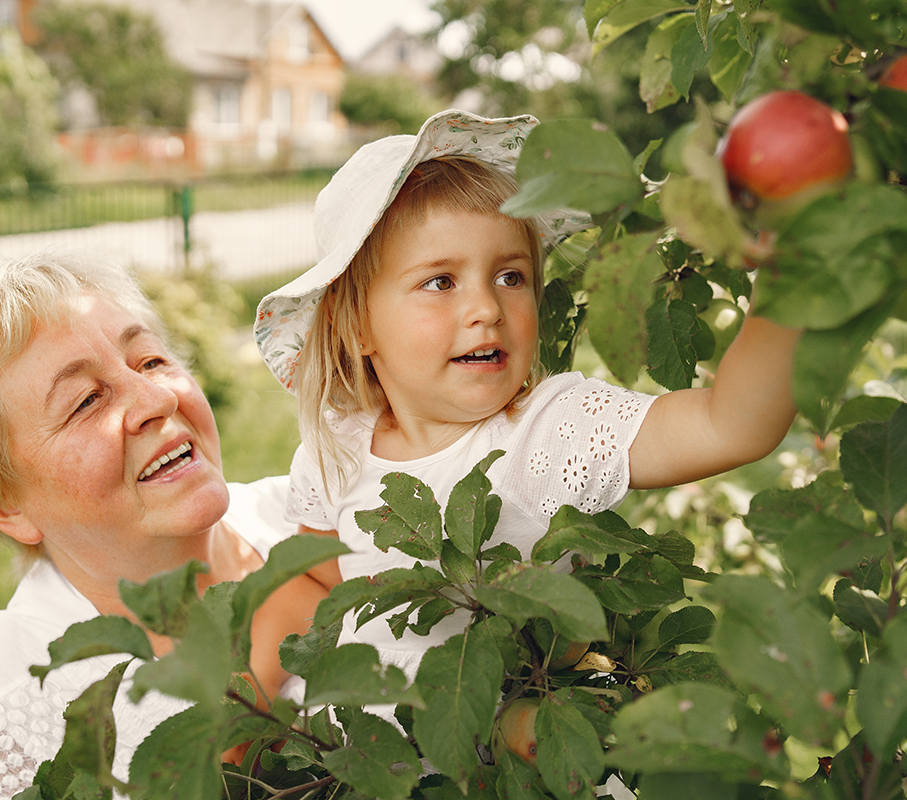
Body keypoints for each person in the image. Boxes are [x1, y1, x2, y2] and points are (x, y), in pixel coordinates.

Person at [252, 109, 800, 682]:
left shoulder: (548, 429)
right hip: (372, 759)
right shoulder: (336, 447)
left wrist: (790, 284)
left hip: (518, 753)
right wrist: (249, 716)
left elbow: (728, 425)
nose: (487, 308)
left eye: (511, 276)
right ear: (358, 326)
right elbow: (312, 582)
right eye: (440, 282)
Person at [0, 251, 327, 800]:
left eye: (150, 361)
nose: (158, 398)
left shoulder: (330, 521)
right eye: (86, 401)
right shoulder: (3, 714)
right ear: (4, 503)